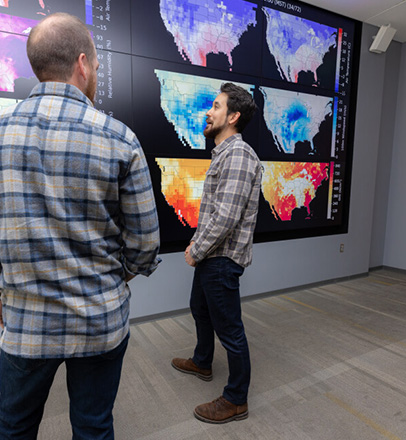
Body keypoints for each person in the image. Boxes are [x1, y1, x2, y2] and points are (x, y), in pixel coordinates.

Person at [0, 13, 160, 440]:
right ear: (82, 64)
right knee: (93, 427)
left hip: (25, 324)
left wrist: (1, 293)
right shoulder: (120, 139)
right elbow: (145, 246)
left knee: (14, 427)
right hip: (100, 323)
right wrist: (108, 282)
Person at [171, 83, 262, 424]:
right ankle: (203, 361)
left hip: (222, 259)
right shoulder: (223, 154)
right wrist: (198, 244)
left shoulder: (238, 155)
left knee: (231, 330)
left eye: (216, 106)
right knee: (200, 308)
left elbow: (226, 216)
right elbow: (215, 212)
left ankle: (236, 399)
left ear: (233, 116)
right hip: (212, 253)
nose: (209, 112)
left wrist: (197, 249)